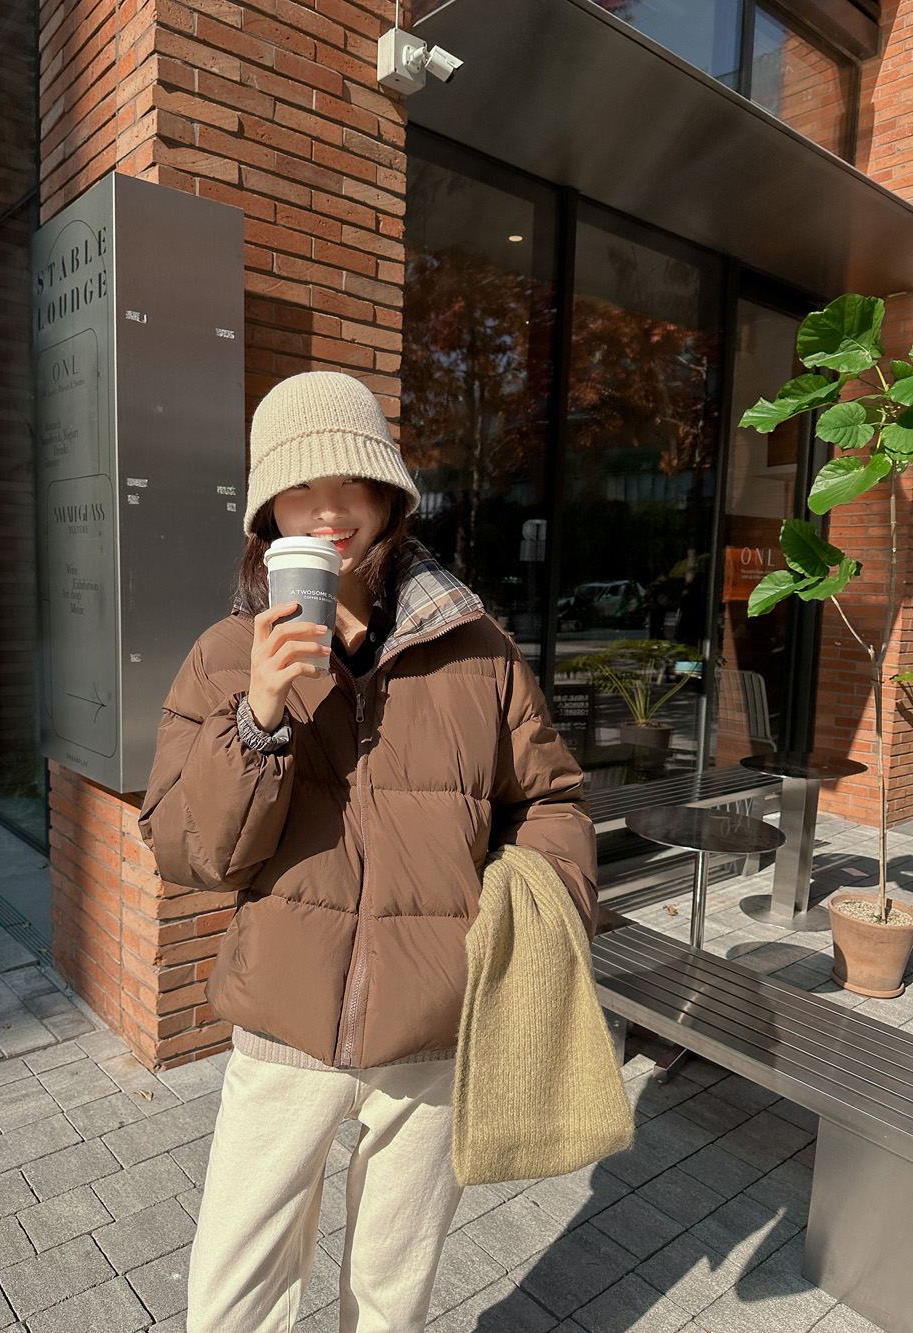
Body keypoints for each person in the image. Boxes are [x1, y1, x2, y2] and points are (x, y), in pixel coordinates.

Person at [139, 371, 598, 1333]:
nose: (329, 510)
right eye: (299, 489)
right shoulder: (225, 655)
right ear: (269, 514)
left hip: (432, 1033)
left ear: (390, 493)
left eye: (351, 481)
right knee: (231, 1297)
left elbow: (551, 799)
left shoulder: (479, 650)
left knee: (393, 1299)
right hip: (285, 1027)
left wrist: (535, 914)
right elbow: (187, 850)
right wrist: (259, 716)